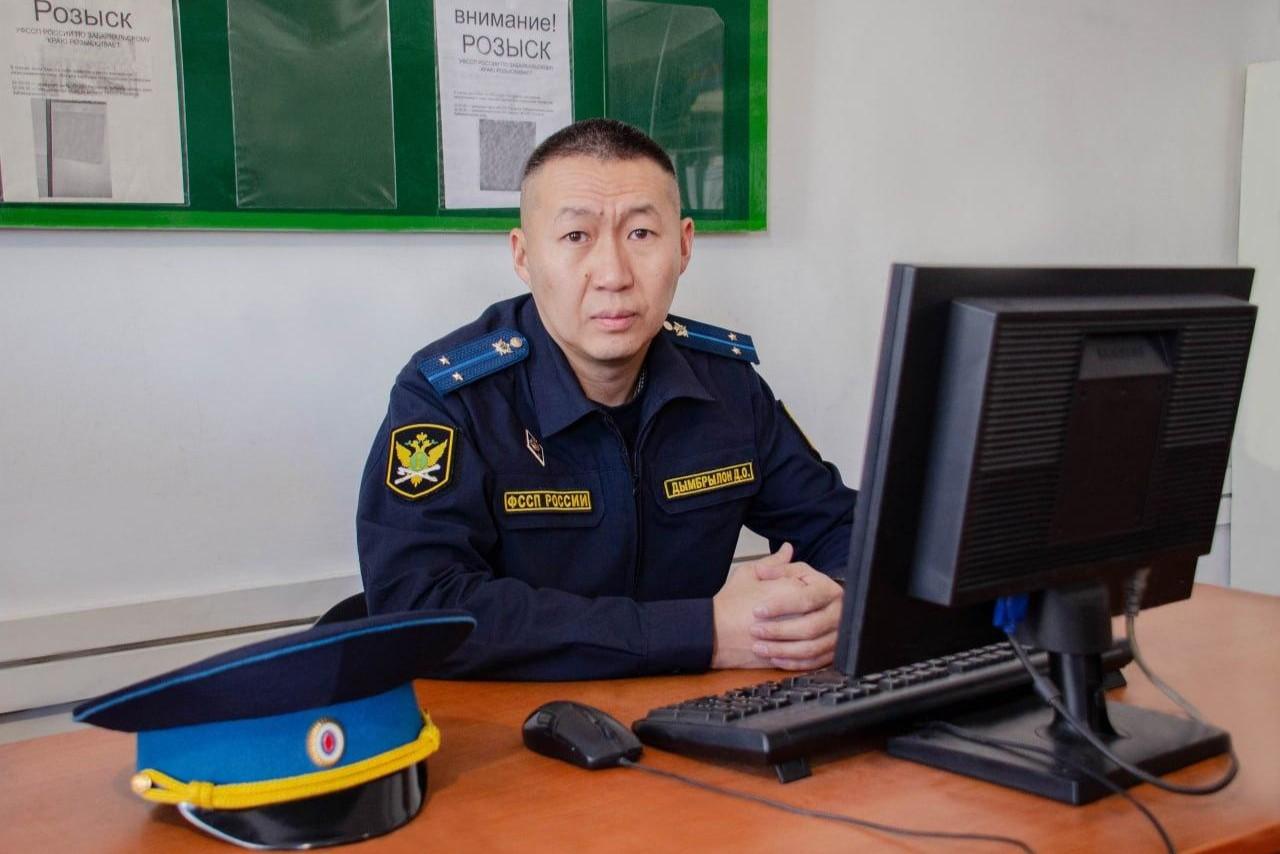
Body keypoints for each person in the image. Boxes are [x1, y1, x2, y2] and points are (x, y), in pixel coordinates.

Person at [357, 118, 856, 679]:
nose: (613, 274)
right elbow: (419, 608)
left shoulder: (727, 386)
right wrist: (704, 633)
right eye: (577, 236)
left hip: (689, 713)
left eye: (641, 234)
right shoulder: (452, 400)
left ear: (684, 245)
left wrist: (836, 599)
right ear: (523, 256)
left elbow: (843, 528)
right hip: (516, 721)